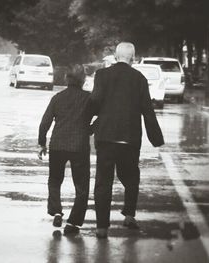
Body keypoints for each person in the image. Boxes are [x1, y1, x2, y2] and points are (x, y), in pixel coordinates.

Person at [89, 42, 164, 238]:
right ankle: (129, 214)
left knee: (103, 182)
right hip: (130, 138)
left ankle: (101, 227)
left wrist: (86, 124)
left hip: (105, 136)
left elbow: (95, 101)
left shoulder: (102, 75)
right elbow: (147, 110)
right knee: (131, 176)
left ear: (115, 55)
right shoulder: (139, 78)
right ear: (133, 57)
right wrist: (156, 137)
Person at [38, 64, 92, 235]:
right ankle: (73, 223)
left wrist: (42, 144)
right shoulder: (88, 99)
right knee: (81, 186)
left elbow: (45, 123)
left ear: (66, 79)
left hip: (57, 145)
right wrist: (90, 129)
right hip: (79, 146)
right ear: (83, 80)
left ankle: (57, 211)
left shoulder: (57, 98)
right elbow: (104, 116)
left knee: (54, 180)